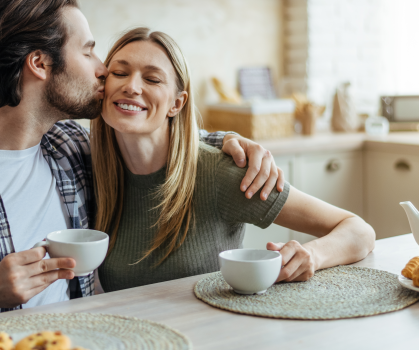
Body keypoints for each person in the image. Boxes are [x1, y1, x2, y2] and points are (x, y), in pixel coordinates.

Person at [0, 0, 285, 341]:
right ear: (39, 63)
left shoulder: (70, 149)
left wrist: (227, 141)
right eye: (88, 50)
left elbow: (154, 130)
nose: (102, 69)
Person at [92, 28, 377, 292]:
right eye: (119, 73)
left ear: (176, 104)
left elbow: (359, 231)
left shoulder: (218, 174)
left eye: (152, 79)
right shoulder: (87, 171)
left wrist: (311, 255)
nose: (131, 86)